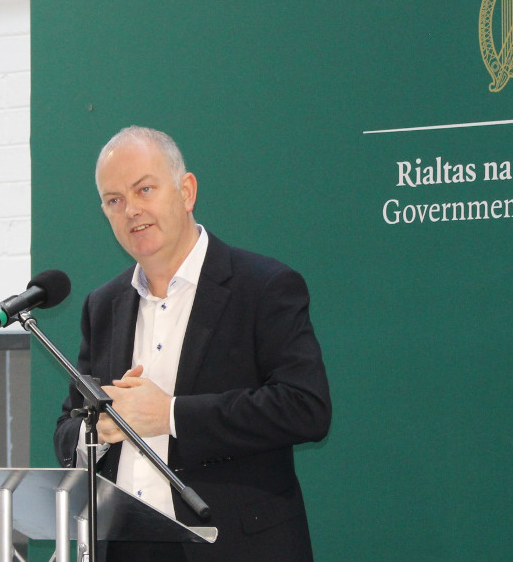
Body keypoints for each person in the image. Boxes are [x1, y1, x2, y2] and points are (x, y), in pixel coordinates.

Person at [54, 126, 331, 561]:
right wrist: (99, 431)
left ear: (186, 191)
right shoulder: (103, 305)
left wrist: (169, 414)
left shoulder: (263, 287)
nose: (131, 210)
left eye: (144, 189)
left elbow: (305, 408)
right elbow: (66, 427)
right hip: (123, 546)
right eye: (114, 200)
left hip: (232, 546)